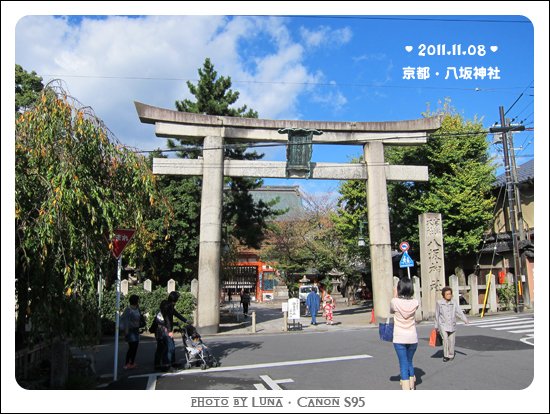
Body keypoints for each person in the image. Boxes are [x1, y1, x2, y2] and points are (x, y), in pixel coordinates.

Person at [390, 278, 419, 390]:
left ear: (399, 288)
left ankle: (406, 388)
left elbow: (391, 311)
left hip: (399, 337)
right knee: (409, 361)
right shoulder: (415, 302)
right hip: (412, 337)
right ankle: (412, 385)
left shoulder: (394, 302)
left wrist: (395, 295)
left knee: (403, 363)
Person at [435, 286, 469, 362]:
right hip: (443, 324)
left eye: (450, 294)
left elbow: (459, 312)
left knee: (452, 341)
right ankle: (446, 355)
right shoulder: (439, 303)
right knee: (445, 340)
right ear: (443, 295)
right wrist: (436, 326)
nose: (449, 295)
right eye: (447, 294)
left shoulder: (454, 302)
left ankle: (451, 354)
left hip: (452, 324)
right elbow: (437, 315)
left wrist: (465, 319)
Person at [121, 294, 141, 369]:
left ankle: (132, 362)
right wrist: (126, 332)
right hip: (130, 330)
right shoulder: (128, 310)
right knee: (131, 347)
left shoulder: (137, 308)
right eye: (138, 300)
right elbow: (125, 321)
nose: (139, 301)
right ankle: (127, 363)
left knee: (135, 347)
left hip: (136, 329)